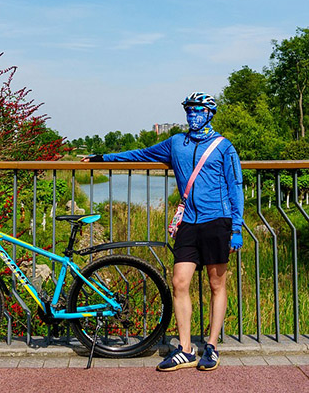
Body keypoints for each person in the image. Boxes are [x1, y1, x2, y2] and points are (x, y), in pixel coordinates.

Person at [82, 92, 243, 371]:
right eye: (189, 110)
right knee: (180, 281)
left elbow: (236, 186)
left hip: (218, 221)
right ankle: (185, 348)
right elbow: (139, 154)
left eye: (198, 110)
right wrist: (101, 157)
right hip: (188, 223)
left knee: (217, 285)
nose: (193, 115)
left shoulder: (223, 147)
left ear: (210, 113)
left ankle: (213, 346)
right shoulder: (176, 143)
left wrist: (237, 228)